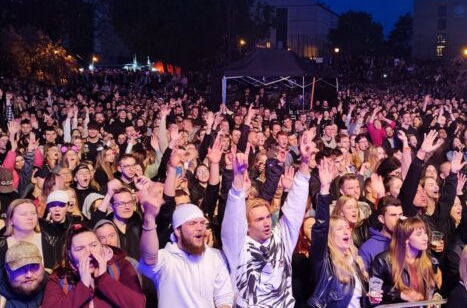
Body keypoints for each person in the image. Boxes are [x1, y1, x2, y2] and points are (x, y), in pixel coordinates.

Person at [221, 129, 314, 308]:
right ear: (246, 226)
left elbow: (295, 209)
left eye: (267, 217)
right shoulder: (238, 246)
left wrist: (304, 163)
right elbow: (233, 218)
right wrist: (238, 180)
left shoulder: (281, 237)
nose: (266, 222)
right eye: (259, 220)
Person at [138, 173, 233, 308]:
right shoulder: (166, 259)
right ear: (177, 230)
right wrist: (149, 217)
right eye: (192, 223)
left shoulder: (215, 256)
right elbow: (149, 258)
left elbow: (224, 297)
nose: (200, 228)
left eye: (202, 223)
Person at [308, 159, 368, 307]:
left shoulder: (354, 261)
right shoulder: (324, 262)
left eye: (346, 228)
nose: (346, 231)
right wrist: (324, 189)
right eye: (339, 229)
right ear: (330, 236)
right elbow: (321, 228)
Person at [42, 225, 145, 308]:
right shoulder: (58, 278)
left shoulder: (121, 266)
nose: (89, 252)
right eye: (80, 249)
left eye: (94, 245)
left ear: (101, 246)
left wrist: (103, 278)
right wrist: (83, 285)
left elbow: (138, 305)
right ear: (70, 255)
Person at [370, 217, 441, 305]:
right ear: (406, 239)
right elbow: (374, 292)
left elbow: (433, 289)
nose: (425, 238)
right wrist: (400, 294)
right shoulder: (383, 261)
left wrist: (436, 296)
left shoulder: (430, 260)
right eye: (419, 234)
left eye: (425, 233)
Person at [358, 196, 404, 271]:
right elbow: (365, 279)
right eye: (393, 215)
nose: (398, 219)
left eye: (401, 215)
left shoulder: (408, 241)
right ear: (382, 219)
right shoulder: (368, 249)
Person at [0, 241, 48, 308]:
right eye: (20, 269)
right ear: (7, 270)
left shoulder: (53, 285)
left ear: (42, 266)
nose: (29, 275)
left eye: (34, 266)